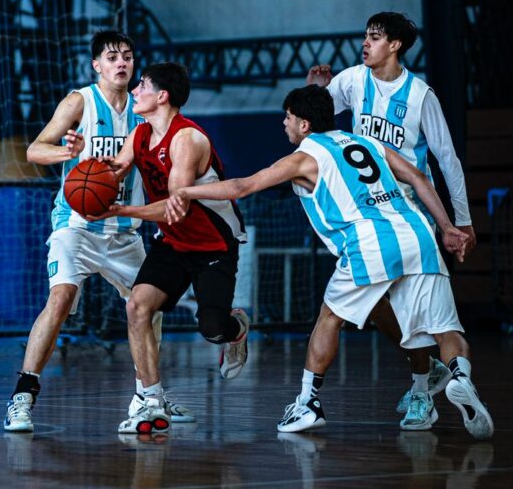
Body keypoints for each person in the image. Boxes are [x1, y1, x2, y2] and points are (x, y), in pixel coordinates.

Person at [167, 85, 493, 440]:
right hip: (418, 235)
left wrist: (186, 191)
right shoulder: (367, 142)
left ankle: (307, 403)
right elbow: (416, 175)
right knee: (444, 328)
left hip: (369, 243)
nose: (284, 124)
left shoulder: (304, 157)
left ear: (304, 124)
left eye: (288, 117)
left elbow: (243, 186)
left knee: (329, 317)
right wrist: (446, 226)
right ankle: (460, 376)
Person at [4, 31, 195, 434]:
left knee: (151, 309)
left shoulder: (146, 108)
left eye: (127, 56)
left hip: (125, 232)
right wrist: (67, 153)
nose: (122, 63)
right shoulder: (80, 101)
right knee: (60, 300)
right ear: (97, 65)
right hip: (76, 226)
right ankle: (22, 397)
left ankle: (149, 395)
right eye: (112, 57)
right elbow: (34, 150)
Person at [306, 11, 476, 427]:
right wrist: (316, 89)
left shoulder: (420, 95)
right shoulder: (352, 79)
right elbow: (319, 116)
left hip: (412, 209)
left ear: (395, 45)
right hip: (368, 210)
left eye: (375, 37)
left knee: (414, 307)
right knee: (380, 303)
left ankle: (423, 391)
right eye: (365, 35)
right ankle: (430, 372)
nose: (365, 43)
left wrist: (462, 220)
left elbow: (447, 160)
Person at [96, 61, 249, 436]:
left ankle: (236, 330)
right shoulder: (139, 134)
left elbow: (173, 207)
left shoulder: (188, 140)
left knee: (212, 326)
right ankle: (150, 399)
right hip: (173, 241)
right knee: (137, 306)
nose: (134, 90)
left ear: (161, 96)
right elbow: (112, 170)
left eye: (142, 85)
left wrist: (124, 209)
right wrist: (85, 163)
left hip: (213, 240)